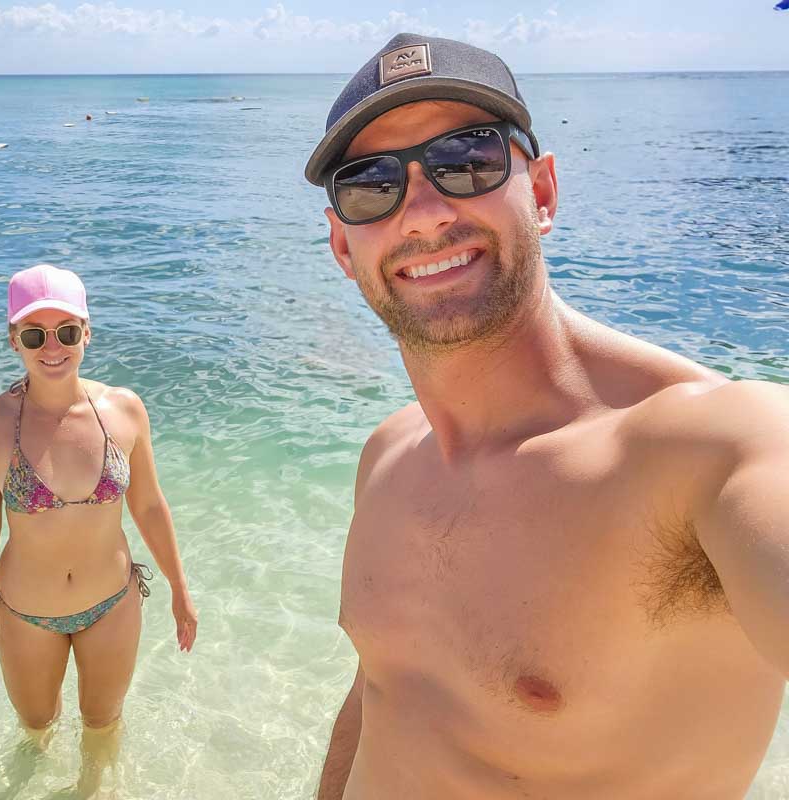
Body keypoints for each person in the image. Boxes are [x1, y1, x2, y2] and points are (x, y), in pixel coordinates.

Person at [305, 33, 789, 799]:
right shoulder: (388, 456)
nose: (425, 212)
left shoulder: (713, 452)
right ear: (341, 245)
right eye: (371, 185)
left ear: (543, 192)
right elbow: (381, 695)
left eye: (468, 159)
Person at [0, 264, 197, 783]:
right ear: (14, 340)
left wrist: (180, 589)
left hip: (112, 604)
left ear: (86, 333)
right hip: (25, 613)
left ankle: (91, 792)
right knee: (36, 726)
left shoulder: (125, 410)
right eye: (35, 334)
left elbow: (149, 506)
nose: (52, 347)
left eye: (65, 332)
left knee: (103, 723)